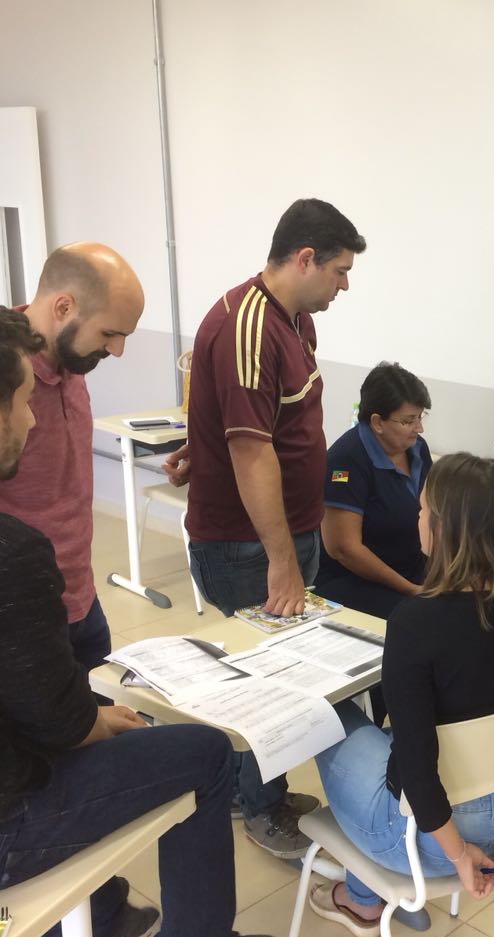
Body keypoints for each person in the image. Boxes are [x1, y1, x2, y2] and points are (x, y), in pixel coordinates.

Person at [0, 297, 278, 937]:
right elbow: (58, 724)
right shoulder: (0, 553)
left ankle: (102, 917)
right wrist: (95, 720)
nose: (34, 419)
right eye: (24, 401)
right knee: (203, 753)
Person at [305, 453, 494, 937]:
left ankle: (360, 900)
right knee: (393, 739)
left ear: (442, 530)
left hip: (425, 844)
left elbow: (417, 772)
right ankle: (361, 890)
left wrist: (459, 857)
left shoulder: (415, 624)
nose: (417, 519)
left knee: (328, 715)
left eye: (422, 511)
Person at [183, 198, 365, 859]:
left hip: (288, 528)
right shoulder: (247, 327)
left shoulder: (295, 319)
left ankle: (247, 789)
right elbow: (251, 451)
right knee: (269, 681)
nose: (345, 286)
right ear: (305, 258)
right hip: (247, 545)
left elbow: (260, 421)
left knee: (277, 667)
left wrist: (198, 447)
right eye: (340, 272)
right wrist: (281, 561)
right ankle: (262, 809)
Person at [0, 242, 143, 671]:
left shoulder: (73, 359)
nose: (117, 350)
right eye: (109, 334)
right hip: (20, 611)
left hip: (82, 597)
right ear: (64, 307)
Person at [314, 361, 433, 617]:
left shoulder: (417, 448)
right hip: (355, 580)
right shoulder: (345, 461)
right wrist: (411, 590)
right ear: (377, 422)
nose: (419, 428)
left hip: (409, 567)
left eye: (420, 417)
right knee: (421, 617)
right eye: (409, 420)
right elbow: (344, 549)